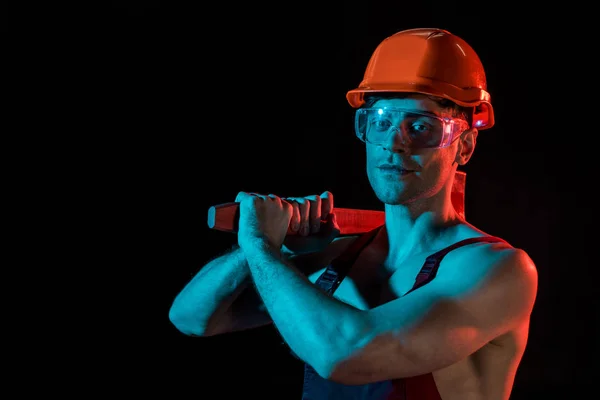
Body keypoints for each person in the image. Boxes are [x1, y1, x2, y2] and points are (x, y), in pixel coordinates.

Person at [168, 28, 538, 400]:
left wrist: (263, 247)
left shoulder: (497, 271)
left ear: (465, 145)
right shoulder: (338, 256)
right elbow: (192, 317)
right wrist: (265, 250)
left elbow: (345, 355)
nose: (394, 143)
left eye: (421, 127)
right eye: (380, 122)